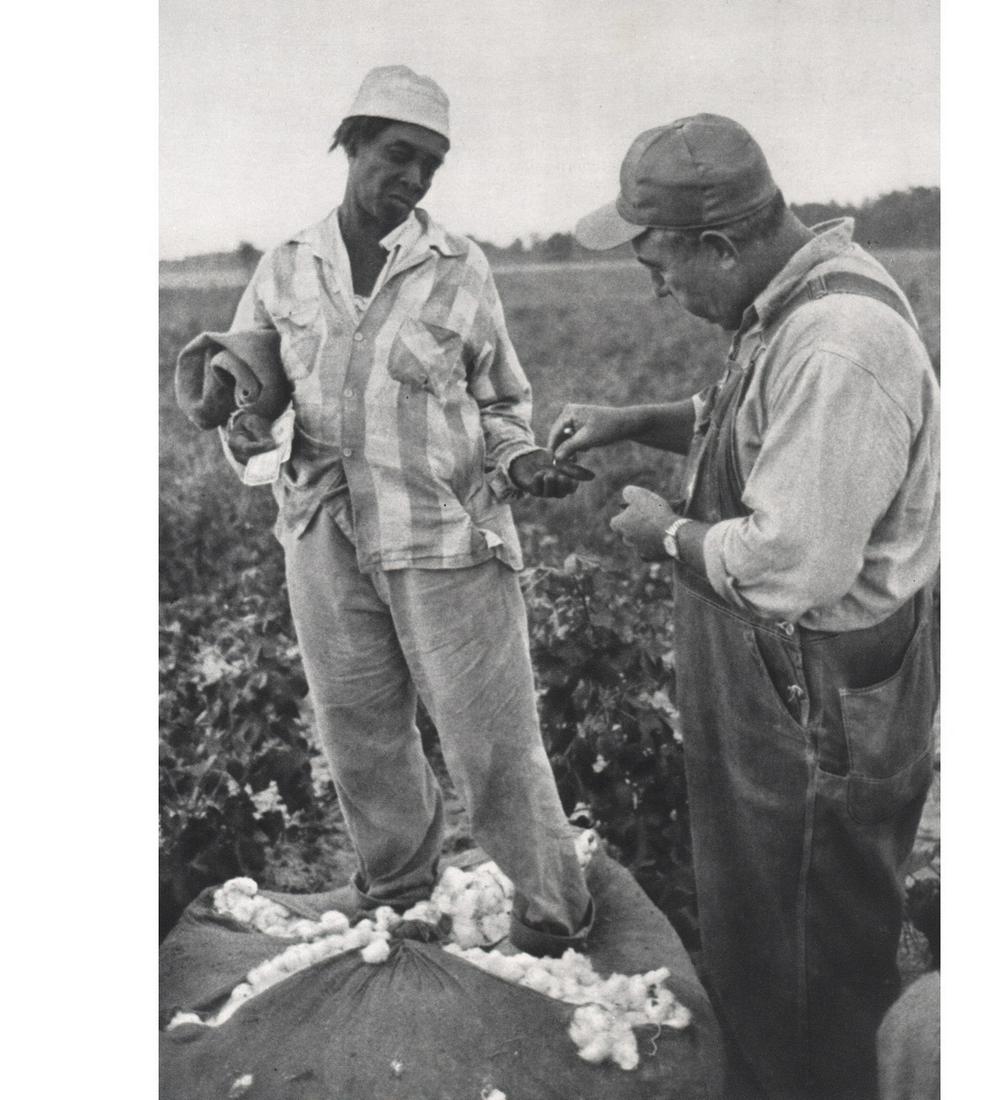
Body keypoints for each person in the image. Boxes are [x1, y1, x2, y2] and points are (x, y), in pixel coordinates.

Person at [551, 114, 939, 1097]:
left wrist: (664, 535)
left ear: (716, 244)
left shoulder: (837, 343)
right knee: (769, 934)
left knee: (808, 955)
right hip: (791, 679)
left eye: (661, 267)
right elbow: (754, 420)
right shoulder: (787, 301)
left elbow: (789, 565)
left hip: (815, 699)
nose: (659, 290)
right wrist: (637, 421)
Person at [213, 65, 595, 957]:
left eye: (431, 164)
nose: (414, 179)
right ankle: (396, 885)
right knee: (357, 728)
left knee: (491, 736)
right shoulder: (287, 267)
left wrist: (524, 457)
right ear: (349, 145)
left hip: (442, 531)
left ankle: (552, 913)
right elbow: (252, 388)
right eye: (397, 155)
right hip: (320, 525)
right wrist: (236, 413)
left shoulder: (459, 269)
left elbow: (504, 401)